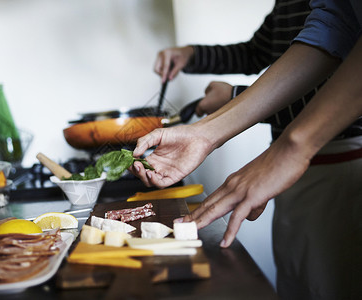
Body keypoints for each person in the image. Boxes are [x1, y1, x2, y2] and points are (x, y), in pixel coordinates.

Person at [132, 0, 362, 299]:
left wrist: (289, 145)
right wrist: (204, 133)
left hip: (339, 162)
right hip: (283, 169)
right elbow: (330, 30)